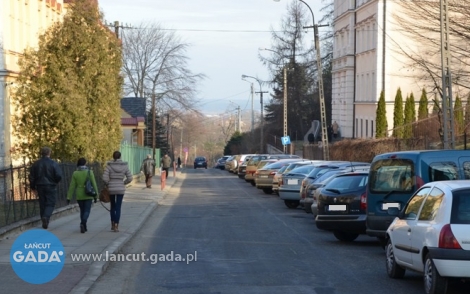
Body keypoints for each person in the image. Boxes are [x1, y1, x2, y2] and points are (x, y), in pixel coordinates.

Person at [29, 146, 63, 229]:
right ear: (49, 153)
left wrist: (33, 187)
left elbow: (31, 177)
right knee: (51, 203)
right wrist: (55, 182)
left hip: (40, 185)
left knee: (42, 203)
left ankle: (44, 221)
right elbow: (58, 175)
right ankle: (46, 217)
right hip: (51, 185)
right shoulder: (53, 163)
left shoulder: (36, 164)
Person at [102, 151, 133, 232]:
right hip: (120, 187)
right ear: (120, 157)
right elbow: (130, 178)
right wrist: (124, 183)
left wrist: (109, 183)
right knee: (118, 207)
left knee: (113, 206)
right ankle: (116, 225)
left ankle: (112, 223)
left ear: (113, 157)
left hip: (111, 188)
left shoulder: (109, 166)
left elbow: (104, 178)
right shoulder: (124, 166)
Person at [66, 158, 98, 233]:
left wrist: (69, 197)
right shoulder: (90, 172)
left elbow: (72, 186)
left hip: (79, 194)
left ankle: (84, 225)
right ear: (85, 163)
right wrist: (96, 195)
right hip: (88, 194)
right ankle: (83, 222)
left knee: (82, 210)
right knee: (87, 210)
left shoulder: (75, 173)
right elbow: (94, 184)